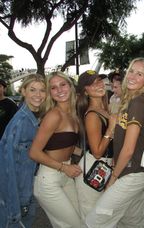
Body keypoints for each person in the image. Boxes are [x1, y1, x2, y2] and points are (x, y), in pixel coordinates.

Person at [86, 57, 144, 228]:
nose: (132, 76)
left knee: (95, 220)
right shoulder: (129, 100)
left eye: (140, 74)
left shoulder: (138, 101)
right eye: (131, 71)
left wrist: (113, 178)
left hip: (133, 172)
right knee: (131, 222)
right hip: (132, 171)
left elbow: (129, 148)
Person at [29, 71, 81, 228]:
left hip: (65, 176)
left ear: (70, 86)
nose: (59, 90)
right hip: (49, 180)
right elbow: (34, 152)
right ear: (50, 93)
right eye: (53, 87)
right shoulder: (54, 115)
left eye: (63, 84)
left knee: (82, 219)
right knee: (74, 224)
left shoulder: (72, 114)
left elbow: (65, 146)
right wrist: (64, 167)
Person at [0, 74, 46, 228]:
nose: (38, 95)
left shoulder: (34, 118)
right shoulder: (20, 122)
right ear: (23, 91)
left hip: (26, 187)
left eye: (42, 90)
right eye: (32, 90)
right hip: (18, 193)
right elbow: (6, 167)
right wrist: (13, 204)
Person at [75, 70, 117, 227]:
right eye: (92, 83)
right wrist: (111, 129)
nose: (98, 85)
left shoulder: (104, 110)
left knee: (102, 217)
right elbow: (97, 152)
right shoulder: (92, 115)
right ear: (85, 90)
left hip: (103, 168)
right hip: (93, 167)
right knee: (92, 220)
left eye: (99, 81)